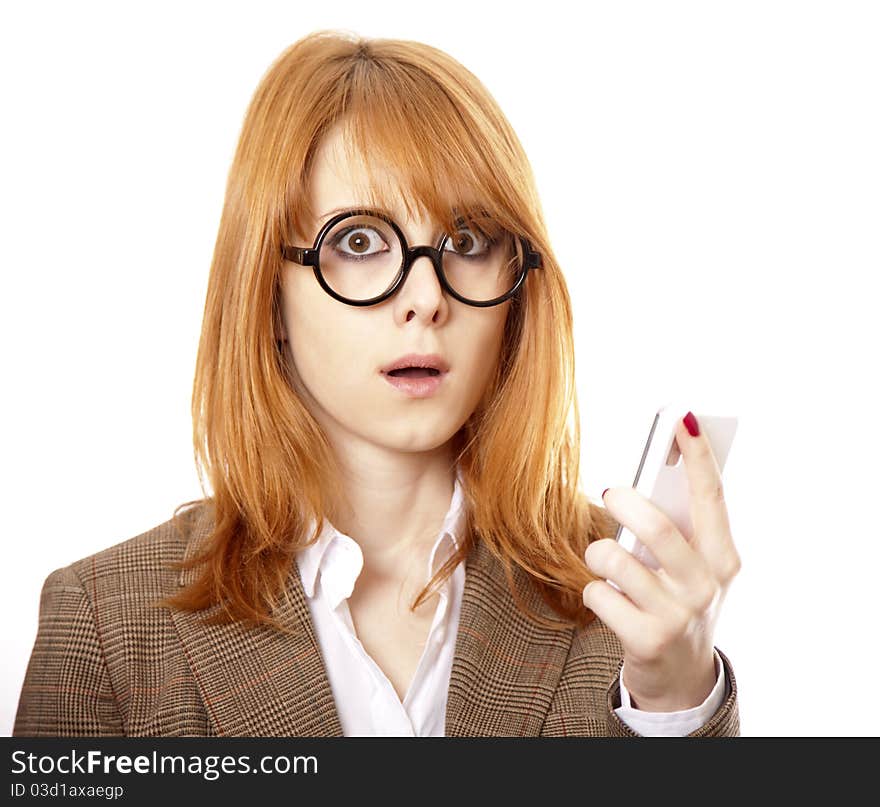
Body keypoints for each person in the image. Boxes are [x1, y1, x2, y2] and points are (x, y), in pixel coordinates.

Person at [13, 30, 741, 737]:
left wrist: (676, 699)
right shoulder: (107, 622)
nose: (426, 296)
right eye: (359, 241)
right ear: (269, 294)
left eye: (467, 241)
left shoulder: (630, 599)